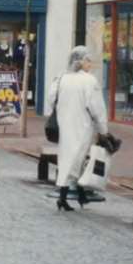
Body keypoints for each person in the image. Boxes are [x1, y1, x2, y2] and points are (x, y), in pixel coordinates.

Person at [52, 45, 110, 211]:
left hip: (65, 124)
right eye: (87, 60)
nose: (90, 64)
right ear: (81, 61)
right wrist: (103, 129)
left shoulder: (61, 77)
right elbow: (97, 108)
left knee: (68, 159)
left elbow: (51, 99)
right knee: (77, 160)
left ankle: (75, 194)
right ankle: (69, 195)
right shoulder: (89, 81)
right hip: (82, 126)